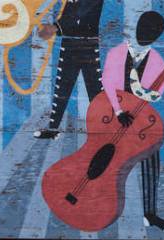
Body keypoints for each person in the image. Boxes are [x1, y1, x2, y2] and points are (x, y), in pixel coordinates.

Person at [101, 10, 164, 234]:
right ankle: (102, 206)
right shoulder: (117, 53)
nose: (146, 34)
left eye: (152, 32)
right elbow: (108, 83)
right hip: (111, 116)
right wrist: (118, 111)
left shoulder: (156, 59)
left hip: (138, 122)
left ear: (157, 36)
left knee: (152, 156)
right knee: (109, 160)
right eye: (144, 29)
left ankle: (150, 213)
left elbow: (155, 94)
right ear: (137, 27)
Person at [34, 0, 107, 140]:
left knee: (95, 90)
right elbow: (70, 12)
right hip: (70, 42)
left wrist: (55, 27)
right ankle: (53, 128)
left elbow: (81, 11)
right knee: (62, 87)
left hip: (88, 44)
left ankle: (104, 131)